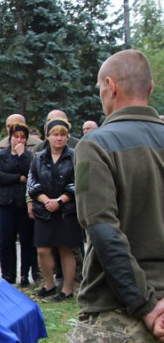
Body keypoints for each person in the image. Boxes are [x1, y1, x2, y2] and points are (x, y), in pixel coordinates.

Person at [70, 50, 164, 342]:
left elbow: (103, 231)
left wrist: (146, 306)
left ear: (110, 86)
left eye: (100, 89)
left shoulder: (95, 146)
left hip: (117, 312)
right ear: (150, 88)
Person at [28, 118, 78, 302]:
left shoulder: (74, 155)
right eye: (55, 134)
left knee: (65, 248)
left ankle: (67, 289)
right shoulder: (39, 157)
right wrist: (46, 201)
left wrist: (59, 201)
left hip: (66, 210)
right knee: (42, 249)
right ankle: (49, 285)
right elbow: (32, 183)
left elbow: (78, 183)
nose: (59, 138)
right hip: (44, 209)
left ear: (67, 137)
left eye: (63, 135)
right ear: (48, 136)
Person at [0, 122, 36, 287]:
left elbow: (30, 173)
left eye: (22, 137)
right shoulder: (1, 154)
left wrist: (21, 156)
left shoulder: (29, 155)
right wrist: (18, 178)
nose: (18, 140)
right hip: (5, 202)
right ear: (10, 137)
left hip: (23, 204)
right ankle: (7, 273)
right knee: (6, 241)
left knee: (26, 241)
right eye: (16, 136)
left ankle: (24, 274)